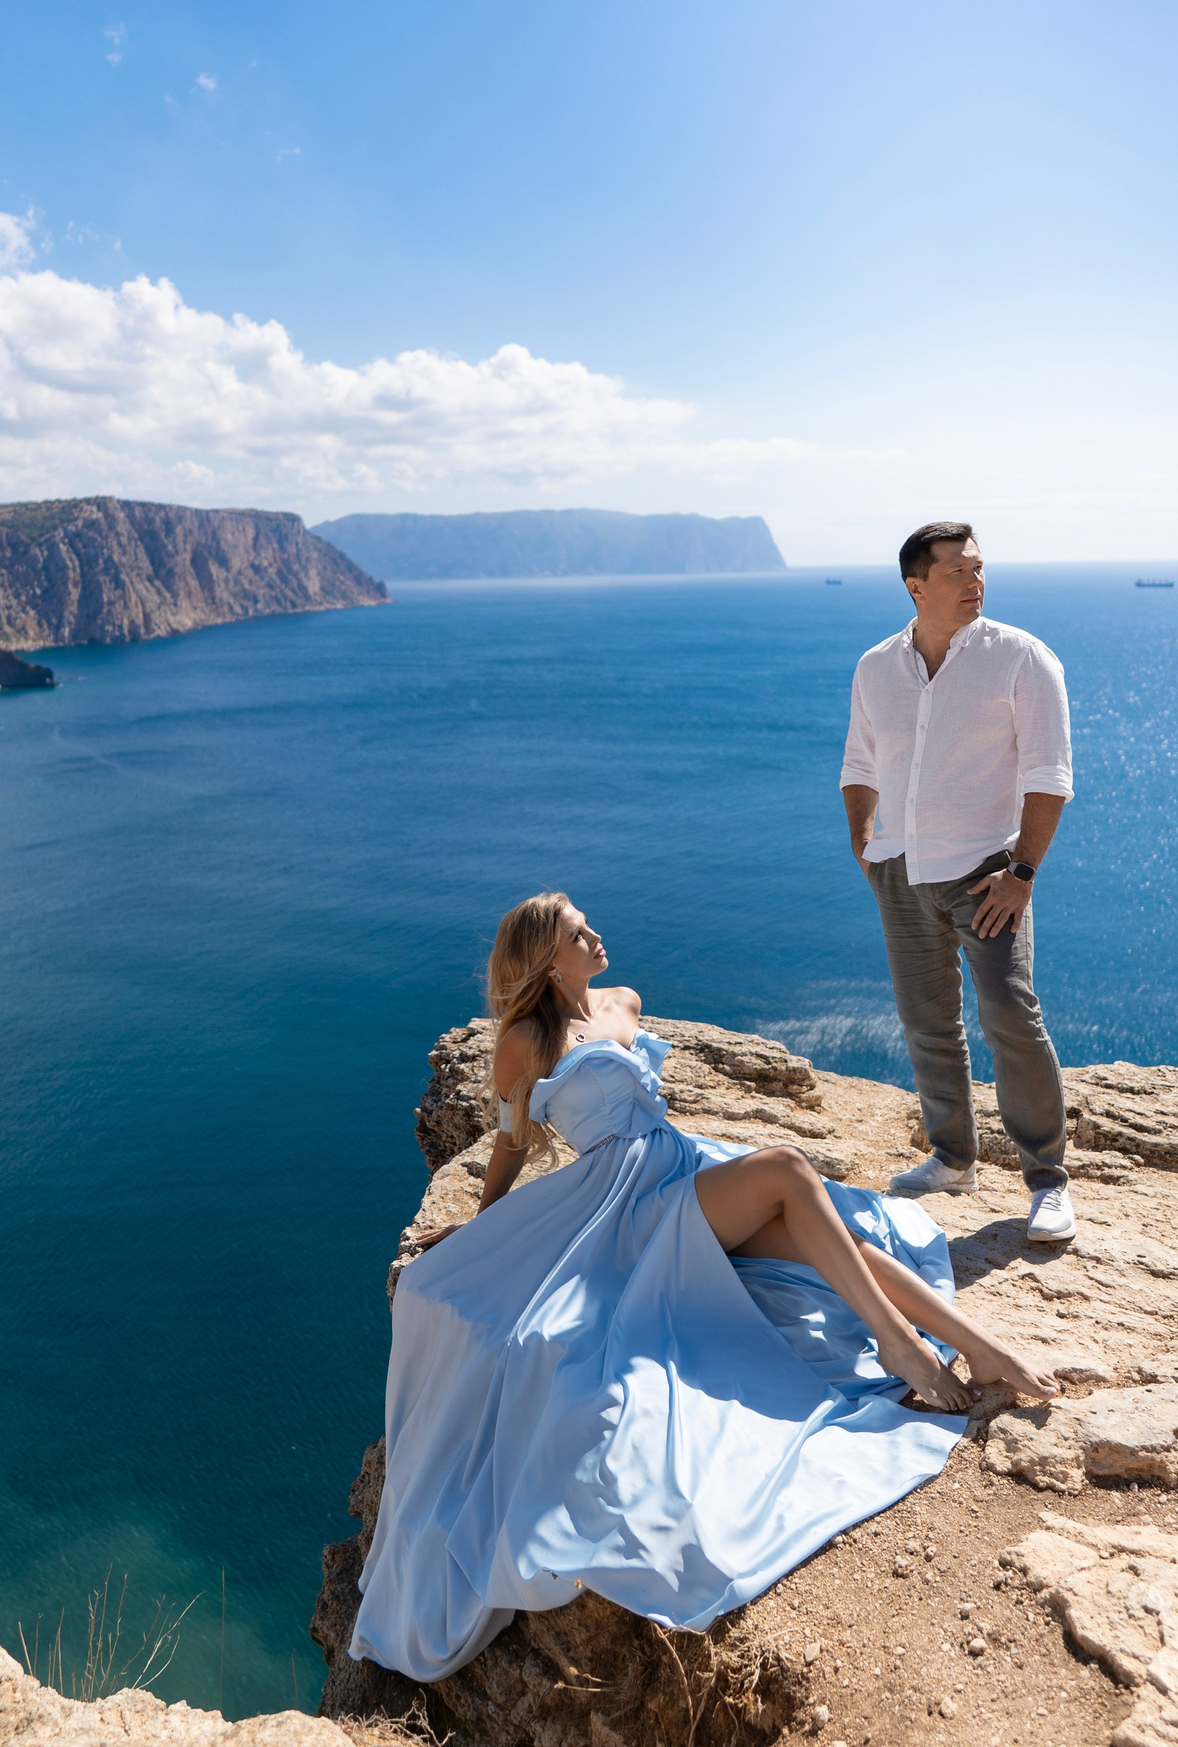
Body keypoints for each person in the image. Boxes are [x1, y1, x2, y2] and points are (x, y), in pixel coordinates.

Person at [351, 893, 1059, 1682]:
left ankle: (978, 1347)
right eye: (579, 932)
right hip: (623, 1207)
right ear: (551, 959)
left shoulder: (623, 1002)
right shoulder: (523, 1041)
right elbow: (513, 1146)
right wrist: (485, 1231)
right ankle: (905, 1349)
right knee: (790, 1171)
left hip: (682, 1168)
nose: (597, 934)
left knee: (833, 1235)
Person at [842, 521, 1079, 1242]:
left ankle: (1047, 1179)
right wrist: (865, 845)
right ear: (917, 585)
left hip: (986, 873)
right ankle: (952, 1158)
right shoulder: (876, 666)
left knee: (1011, 1013)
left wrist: (1023, 873)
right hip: (901, 868)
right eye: (958, 572)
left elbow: (1050, 776)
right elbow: (860, 763)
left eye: (980, 568)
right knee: (927, 1021)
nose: (976, 581)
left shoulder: (1022, 657)